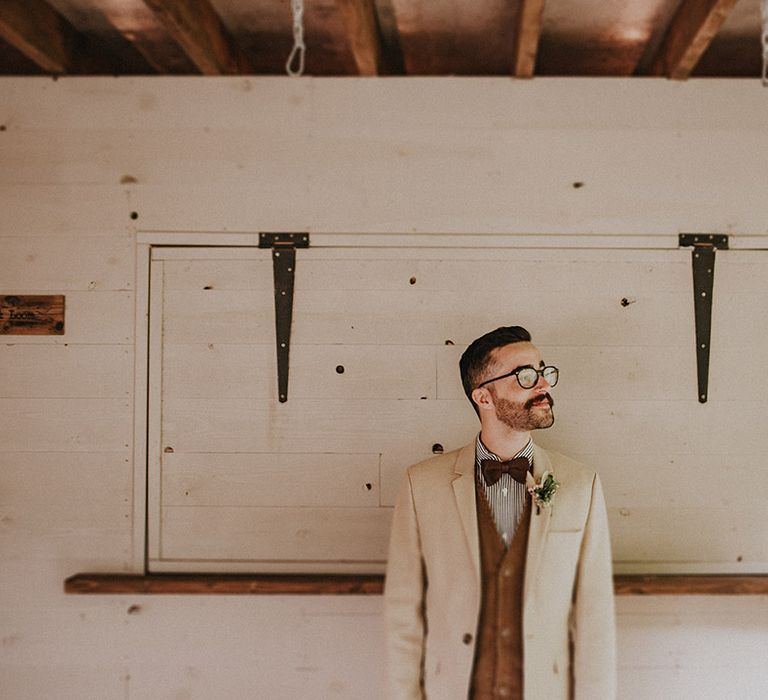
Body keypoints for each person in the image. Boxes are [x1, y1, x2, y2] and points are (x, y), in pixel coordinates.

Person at [384, 326, 616, 700]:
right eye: (525, 375)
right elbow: (402, 613)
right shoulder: (421, 486)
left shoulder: (580, 485)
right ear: (484, 397)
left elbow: (595, 617)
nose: (543, 384)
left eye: (544, 371)